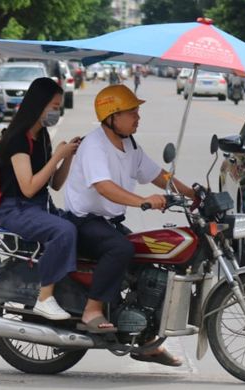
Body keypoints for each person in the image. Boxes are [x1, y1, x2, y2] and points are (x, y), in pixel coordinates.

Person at [63, 84, 195, 365]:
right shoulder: (94, 145)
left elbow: (158, 174)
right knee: (121, 249)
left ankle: (145, 340)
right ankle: (92, 310)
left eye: (137, 112)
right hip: (84, 222)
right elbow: (104, 187)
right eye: (132, 112)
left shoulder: (129, 144)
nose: (138, 117)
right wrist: (142, 201)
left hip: (109, 222)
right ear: (112, 116)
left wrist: (193, 194)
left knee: (147, 255)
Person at [0, 77, 80, 320]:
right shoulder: (17, 140)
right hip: (17, 209)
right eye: (54, 106)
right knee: (64, 231)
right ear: (39, 104)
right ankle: (45, 297)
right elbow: (29, 187)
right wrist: (57, 157)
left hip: (41, 206)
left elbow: (54, 183)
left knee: (82, 224)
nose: (57, 111)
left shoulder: (42, 137)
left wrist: (68, 156)